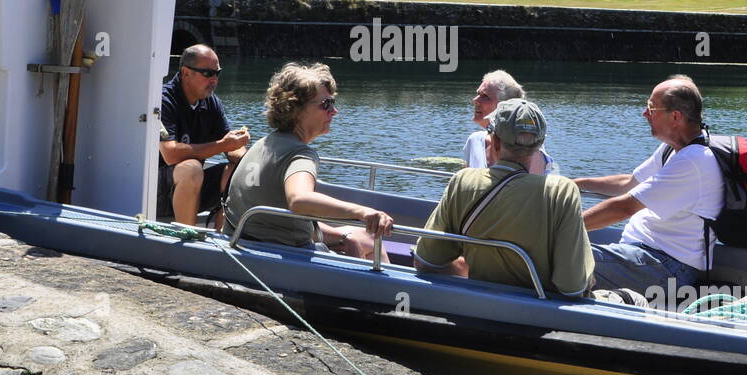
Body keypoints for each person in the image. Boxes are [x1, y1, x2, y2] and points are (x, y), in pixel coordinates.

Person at [416, 98, 593, 298]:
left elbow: (425, 261)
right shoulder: (561, 192)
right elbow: (572, 287)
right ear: (540, 144)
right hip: (541, 315)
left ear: (496, 141)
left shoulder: (463, 181)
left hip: (478, 305)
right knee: (633, 298)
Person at [225, 62, 393, 259]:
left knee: (359, 237)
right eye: (326, 105)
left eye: (333, 103)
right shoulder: (300, 155)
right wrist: (362, 212)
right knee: (375, 245)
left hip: (243, 243)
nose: (334, 112)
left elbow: (281, 218)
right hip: (283, 255)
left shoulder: (264, 144)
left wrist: (342, 235)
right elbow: (299, 200)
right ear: (295, 109)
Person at [575, 75, 723, 296]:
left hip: (665, 269)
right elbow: (628, 183)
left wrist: (560, 228)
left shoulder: (693, 161)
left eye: (651, 109)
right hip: (642, 257)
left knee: (559, 256)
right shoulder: (672, 149)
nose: (645, 114)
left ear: (675, 116)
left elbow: (624, 207)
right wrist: (574, 184)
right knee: (558, 253)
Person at [158, 45, 249, 225]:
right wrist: (223, 145)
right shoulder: (163, 100)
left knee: (236, 172)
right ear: (185, 73)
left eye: (217, 73)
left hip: (192, 187)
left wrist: (251, 161)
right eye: (208, 73)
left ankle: (223, 241)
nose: (214, 80)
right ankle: (188, 239)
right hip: (154, 191)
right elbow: (170, 155)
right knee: (192, 168)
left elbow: (232, 149)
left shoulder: (211, 102)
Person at [462, 70, 558, 175]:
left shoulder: (527, 149)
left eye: (486, 97)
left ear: (506, 108)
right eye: (478, 94)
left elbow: (530, 188)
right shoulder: (474, 140)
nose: (475, 100)